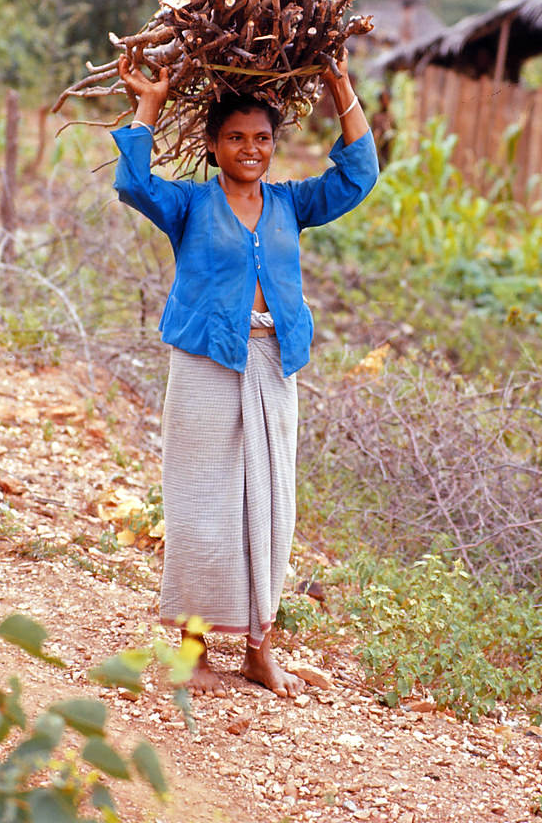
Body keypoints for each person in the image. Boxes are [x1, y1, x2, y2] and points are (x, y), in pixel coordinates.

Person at [112, 49, 378, 697]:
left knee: (269, 504)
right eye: (235, 137)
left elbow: (360, 174)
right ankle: (193, 650)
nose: (250, 149)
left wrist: (338, 80)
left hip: (272, 363)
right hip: (205, 362)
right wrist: (149, 101)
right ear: (211, 144)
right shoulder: (190, 206)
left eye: (261, 138)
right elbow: (132, 184)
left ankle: (259, 649)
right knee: (203, 506)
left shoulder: (292, 204)